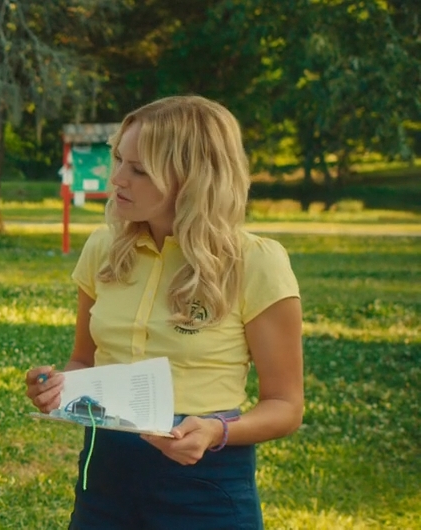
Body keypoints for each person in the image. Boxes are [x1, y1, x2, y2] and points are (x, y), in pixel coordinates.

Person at [25, 95, 304, 529]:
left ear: (193, 179)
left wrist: (216, 432)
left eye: (139, 170)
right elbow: (83, 360)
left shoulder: (255, 263)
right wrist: (57, 388)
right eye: (119, 160)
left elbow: (285, 405)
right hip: (105, 478)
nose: (117, 178)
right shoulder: (104, 249)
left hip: (206, 485)